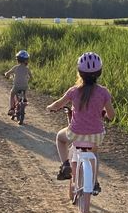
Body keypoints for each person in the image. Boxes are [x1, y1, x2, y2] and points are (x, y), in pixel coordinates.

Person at [46, 51, 115, 185]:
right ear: (99, 72)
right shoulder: (103, 92)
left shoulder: (74, 91)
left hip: (75, 134)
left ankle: (66, 164)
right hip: (96, 135)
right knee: (94, 155)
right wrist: (105, 116)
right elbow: (111, 115)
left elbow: (58, 104)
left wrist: (50, 107)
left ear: (79, 72)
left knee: (60, 138)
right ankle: (94, 183)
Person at [4, 50, 31, 117]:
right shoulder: (27, 69)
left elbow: (8, 73)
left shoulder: (16, 67)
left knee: (12, 94)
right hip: (25, 86)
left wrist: (6, 74)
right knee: (24, 90)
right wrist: (28, 79)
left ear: (18, 60)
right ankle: (24, 99)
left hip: (16, 86)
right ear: (26, 61)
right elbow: (31, 76)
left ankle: (12, 109)